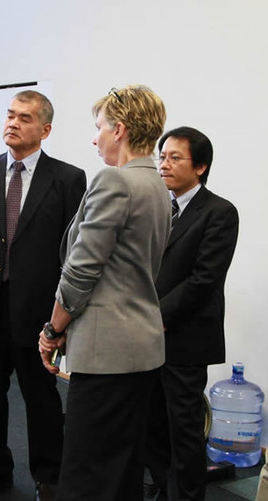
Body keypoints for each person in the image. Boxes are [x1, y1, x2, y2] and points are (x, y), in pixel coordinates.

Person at [39, 85, 171, 501]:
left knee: (85, 473)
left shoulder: (114, 180)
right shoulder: (158, 186)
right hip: (142, 348)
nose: (94, 138)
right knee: (121, 470)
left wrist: (52, 329)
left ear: (121, 130)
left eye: (99, 128)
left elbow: (81, 271)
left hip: (106, 353)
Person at [0, 90, 86, 500]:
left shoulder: (68, 179)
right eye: (10, 115)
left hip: (38, 313)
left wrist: (65, 318)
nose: (12, 123)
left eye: (25, 118)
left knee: (42, 399)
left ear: (45, 129)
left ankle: (49, 475)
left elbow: (74, 252)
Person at [145, 126, 239, 501]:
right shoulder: (154, 207)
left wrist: (152, 317)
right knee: (150, 424)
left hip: (184, 338)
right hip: (146, 337)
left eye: (175, 158)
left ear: (200, 166)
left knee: (183, 428)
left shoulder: (219, 212)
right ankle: (163, 489)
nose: (164, 165)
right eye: (162, 157)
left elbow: (202, 280)